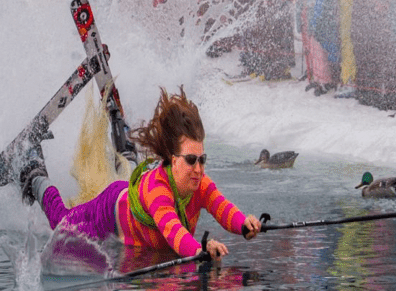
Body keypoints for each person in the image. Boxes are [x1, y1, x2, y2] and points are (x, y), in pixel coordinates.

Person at [18, 87, 261, 259]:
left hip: (133, 193)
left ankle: (123, 139)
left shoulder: (200, 182)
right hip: (108, 213)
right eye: (191, 160)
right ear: (172, 160)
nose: (198, 168)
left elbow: (222, 207)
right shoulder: (158, 192)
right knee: (60, 223)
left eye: (202, 159)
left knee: (133, 177)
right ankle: (34, 169)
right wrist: (201, 249)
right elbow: (173, 231)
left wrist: (243, 224)